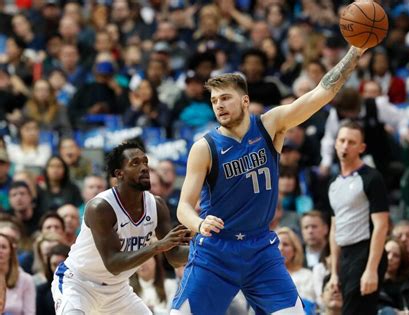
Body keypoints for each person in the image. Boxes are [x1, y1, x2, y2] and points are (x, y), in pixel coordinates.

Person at [172, 42, 367, 314]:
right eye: (214, 101)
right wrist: (199, 222)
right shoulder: (204, 147)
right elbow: (183, 207)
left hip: (260, 249)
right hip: (215, 251)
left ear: (245, 101)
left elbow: (321, 93)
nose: (219, 105)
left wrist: (354, 52)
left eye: (225, 98)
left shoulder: (269, 124)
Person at [52, 141, 191, 314]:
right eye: (135, 163)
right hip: (79, 284)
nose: (144, 167)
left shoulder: (157, 205)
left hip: (117, 291)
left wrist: (203, 247)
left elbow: (174, 257)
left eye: (145, 162)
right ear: (119, 174)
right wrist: (157, 246)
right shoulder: (101, 207)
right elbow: (114, 264)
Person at [328, 121, 390, 315]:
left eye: (352, 142)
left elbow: (381, 226)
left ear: (362, 148)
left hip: (365, 251)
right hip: (345, 255)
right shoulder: (334, 183)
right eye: (342, 140)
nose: (346, 146)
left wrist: (371, 269)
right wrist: (334, 272)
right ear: (335, 143)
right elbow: (334, 227)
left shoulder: (372, 178)